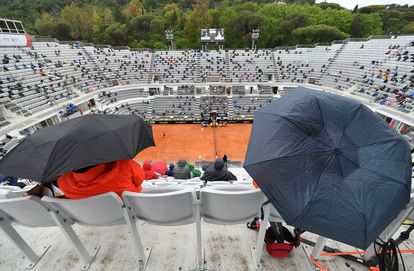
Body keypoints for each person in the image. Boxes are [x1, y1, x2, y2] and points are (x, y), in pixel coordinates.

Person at [57, 159, 145, 199]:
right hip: (128, 210)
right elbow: (140, 180)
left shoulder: (63, 182)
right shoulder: (125, 164)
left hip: (92, 218)